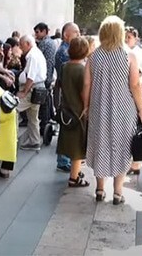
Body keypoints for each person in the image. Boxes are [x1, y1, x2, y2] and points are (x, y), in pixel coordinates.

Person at [82, 16, 142, 205]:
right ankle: (118, 192)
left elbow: (86, 84)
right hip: (124, 109)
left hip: (98, 108)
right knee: (122, 147)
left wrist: (86, 105)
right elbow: (135, 85)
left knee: (99, 143)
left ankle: (100, 189)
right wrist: (141, 109)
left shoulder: (93, 57)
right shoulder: (129, 56)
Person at [56, 38, 90, 187]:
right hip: (78, 112)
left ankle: (73, 172)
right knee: (77, 147)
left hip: (66, 111)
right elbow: (84, 93)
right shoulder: (82, 70)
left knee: (68, 142)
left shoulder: (64, 67)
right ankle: (74, 178)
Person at [54, 22, 80, 172]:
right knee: (67, 126)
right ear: (66, 35)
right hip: (66, 96)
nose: (78, 35)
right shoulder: (65, 52)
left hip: (66, 95)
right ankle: (63, 160)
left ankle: (66, 159)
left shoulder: (68, 50)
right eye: (75, 32)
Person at [16, 35, 47, 151]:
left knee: (13, 110)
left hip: (32, 89)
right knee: (33, 116)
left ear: (28, 44)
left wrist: (24, 92)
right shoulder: (35, 54)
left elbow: (31, 77)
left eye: (21, 44)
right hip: (37, 89)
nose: (20, 47)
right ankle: (34, 141)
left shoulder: (32, 56)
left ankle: (13, 137)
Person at [35, 22, 58, 137]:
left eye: (38, 32)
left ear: (44, 31)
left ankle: (44, 126)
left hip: (44, 76)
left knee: (43, 104)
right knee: (48, 101)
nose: (36, 35)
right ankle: (47, 122)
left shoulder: (43, 43)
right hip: (49, 76)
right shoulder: (52, 43)